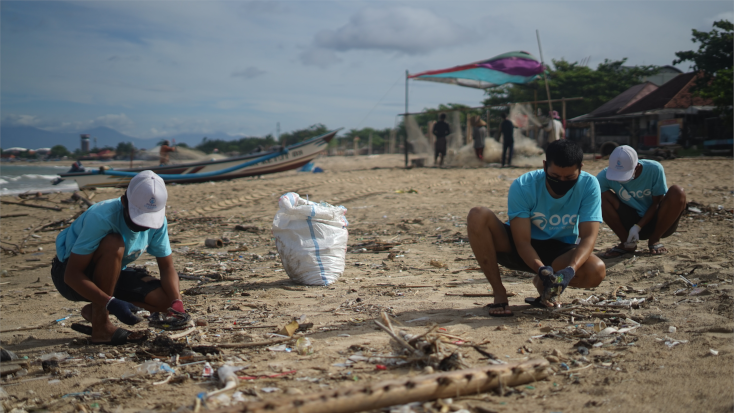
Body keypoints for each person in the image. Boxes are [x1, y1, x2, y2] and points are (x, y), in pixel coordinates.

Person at [466, 140, 606, 316]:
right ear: (545, 166)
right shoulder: (524, 185)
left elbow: (588, 237)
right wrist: (541, 269)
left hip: (559, 251)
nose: (561, 182)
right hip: (518, 247)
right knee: (477, 215)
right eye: (555, 176)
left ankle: (545, 286)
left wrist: (570, 270)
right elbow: (522, 242)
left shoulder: (589, 185)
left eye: (569, 178)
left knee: (596, 271)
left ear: (580, 168)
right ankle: (499, 293)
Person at [52, 170, 187, 345]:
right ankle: (101, 327)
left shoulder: (159, 222)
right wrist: (111, 303)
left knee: (164, 301)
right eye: (138, 219)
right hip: (71, 276)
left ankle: (94, 310)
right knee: (114, 243)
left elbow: (167, 267)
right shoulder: (101, 217)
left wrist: (177, 302)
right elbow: (72, 276)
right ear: (124, 202)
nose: (142, 226)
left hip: (112, 273)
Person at [597, 146, 686, 257]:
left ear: (637, 167)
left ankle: (654, 240)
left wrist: (638, 226)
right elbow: (588, 198)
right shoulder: (605, 176)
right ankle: (627, 243)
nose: (620, 179)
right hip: (629, 220)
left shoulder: (654, 169)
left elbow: (656, 203)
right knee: (598, 195)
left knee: (677, 191)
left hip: (659, 222)